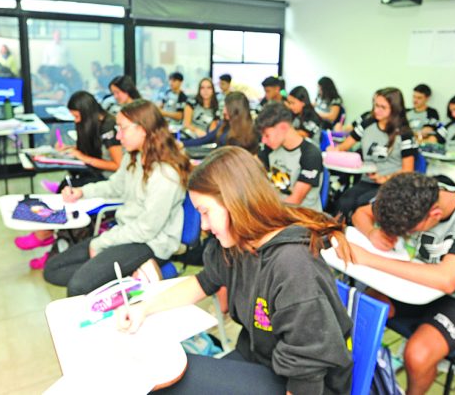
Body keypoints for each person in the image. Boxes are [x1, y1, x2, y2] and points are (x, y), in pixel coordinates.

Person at [117, 146, 354, 395]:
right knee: (162, 374)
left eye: (206, 212)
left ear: (236, 202)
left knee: (167, 383)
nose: (205, 226)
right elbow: (203, 282)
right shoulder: (239, 243)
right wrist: (143, 308)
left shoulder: (293, 265)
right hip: (260, 360)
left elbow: (308, 372)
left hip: (302, 384)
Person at [350, 173, 455, 395]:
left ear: (434, 215)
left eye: (410, 232)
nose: (405, 236)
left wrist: (371, 259)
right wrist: (372, 232)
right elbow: (361, 213)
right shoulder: (411, 191)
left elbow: (447, 279)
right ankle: (363, 382)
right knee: (363, 309)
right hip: (416, 288)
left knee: (417, 354)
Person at [43, 100, 192, 295]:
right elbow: (115, 186)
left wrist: (102, 242)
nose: (117, 135)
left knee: (78, 287)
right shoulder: (136, 157)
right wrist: (82, 192)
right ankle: (124, 278)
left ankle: (123, 279)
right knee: (52, 270)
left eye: (122, 128)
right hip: (127, 232)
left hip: (151, 243)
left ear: (143, 130)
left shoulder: (165, 174)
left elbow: (147, 229)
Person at [19, 91, 124, 268]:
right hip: (94, 173)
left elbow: (117, 165)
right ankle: (48, 232)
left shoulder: (109, 126)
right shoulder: (93, 123)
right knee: (66, 186)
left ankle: (48, 234)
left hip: (109, 180)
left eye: (77, 116)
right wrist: (72, 149)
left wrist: (83, 157)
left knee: (69, 194)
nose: (76, 121)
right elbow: (95, 150)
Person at [333, 88, 417, 216]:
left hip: (391, 184)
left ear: (394, 109)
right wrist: (333, 151)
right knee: (343, 202)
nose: (376, 110)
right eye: (376, 105)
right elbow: (344, 146)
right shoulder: (367, 124)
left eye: (383, 107)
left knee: (362, 204)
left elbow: (408, 169)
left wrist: (385, 178)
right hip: (367, 180)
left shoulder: (404, 133)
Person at [255, 102, 325, 211]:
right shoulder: (271, 149)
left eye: (267, 135)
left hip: (303, 216)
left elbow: (295, 200)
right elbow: (250, 167)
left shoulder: (310, 154)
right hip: (278, 209)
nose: (263, 140)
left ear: (283, 127)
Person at [181, 91, 258, 153]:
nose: (224, 111)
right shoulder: (224, 125)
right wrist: (182, 144)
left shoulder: (250, 132)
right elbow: (205, 139)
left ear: (237, 110)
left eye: (227, 108)